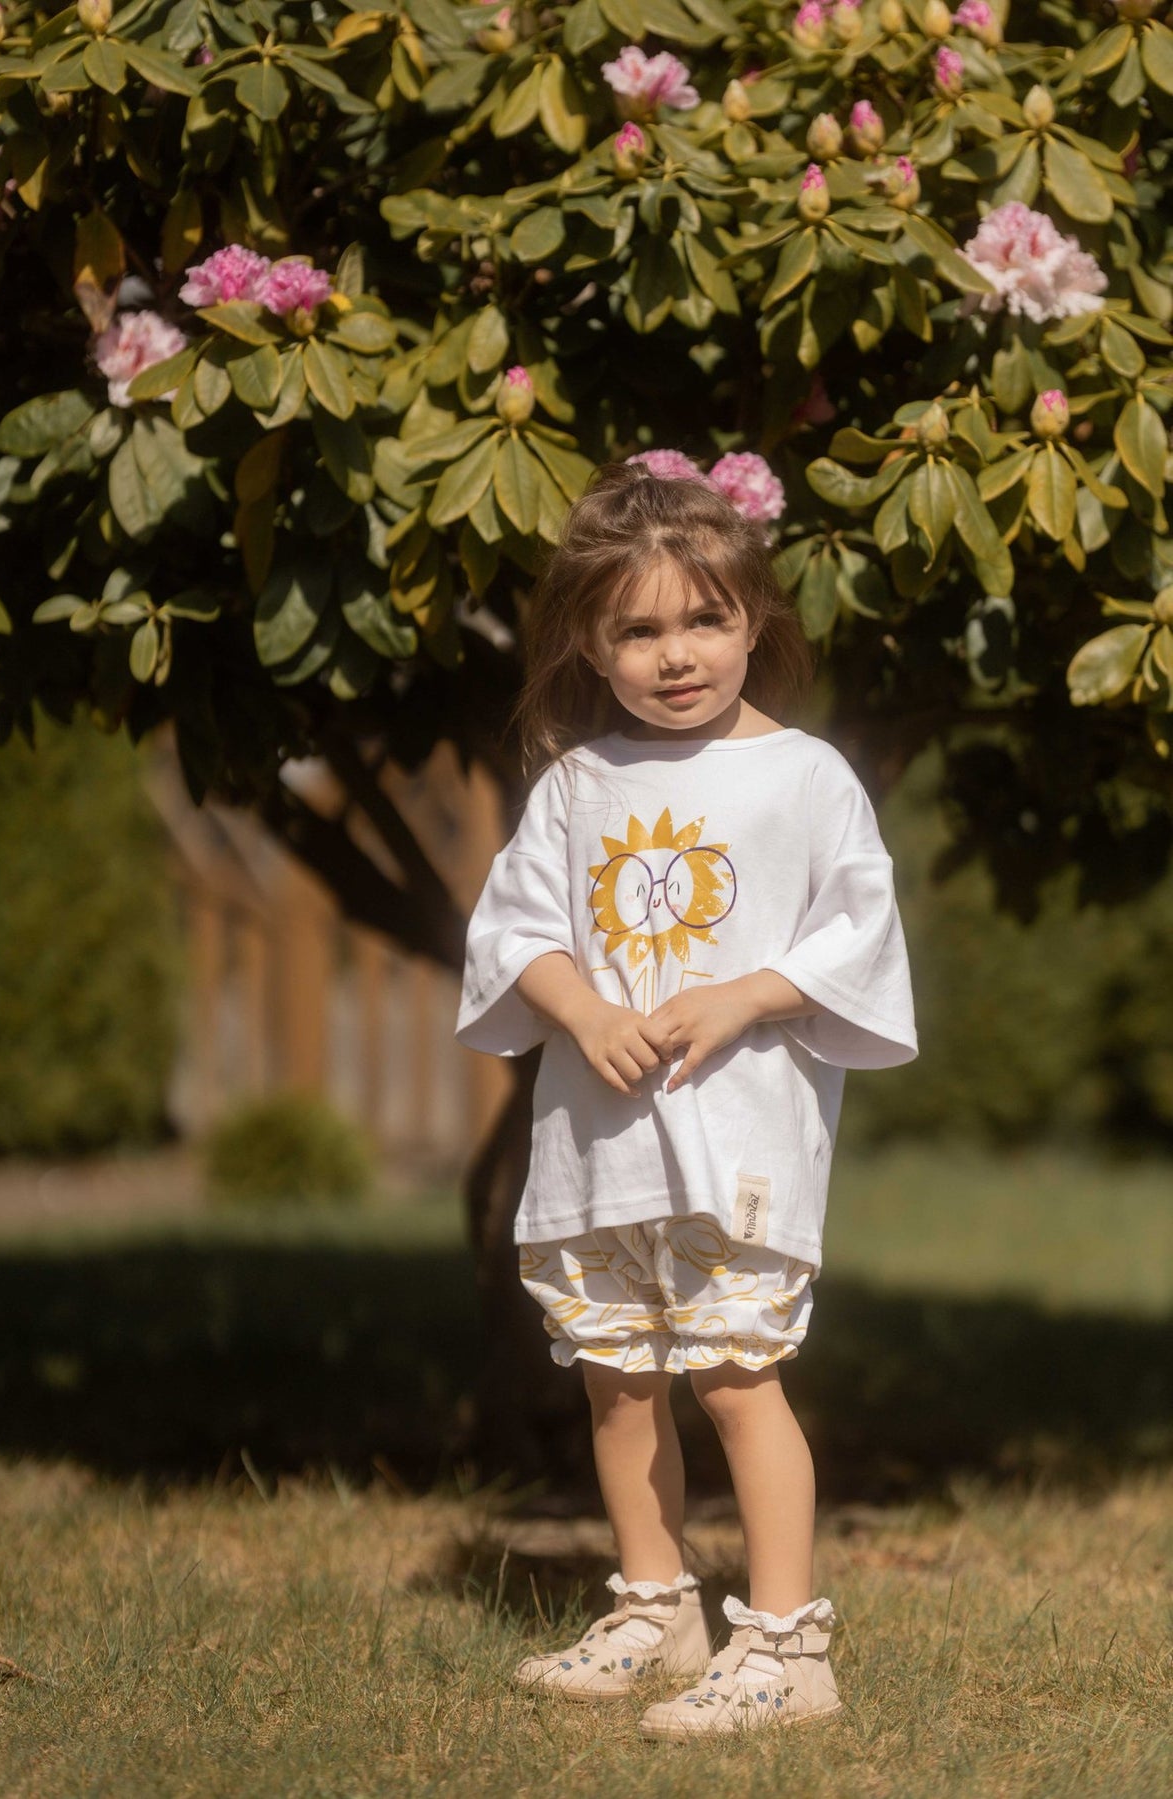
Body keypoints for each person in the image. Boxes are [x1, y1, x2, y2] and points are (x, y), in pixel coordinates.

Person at [456, 461, 917, 1740]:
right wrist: (587, 1011)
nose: (677, 654)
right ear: (590, 645)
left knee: (734, 1372)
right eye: (641, 629)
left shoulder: (803, 776)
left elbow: (857, 931)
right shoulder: (575, 785)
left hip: (738, 1141)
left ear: (754, 619)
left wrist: (747, 995)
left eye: (704, 620)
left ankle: (785, 1643)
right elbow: (517, 933)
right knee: (615, 1376)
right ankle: (659, 1609)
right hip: (600, 1147)